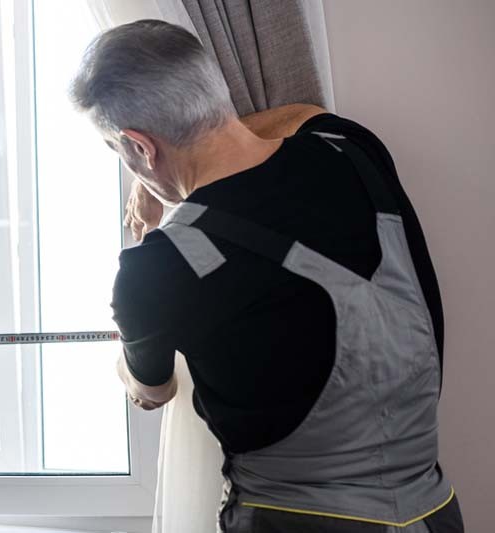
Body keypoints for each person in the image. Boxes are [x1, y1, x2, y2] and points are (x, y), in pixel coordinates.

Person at [70, 20, 463, 532]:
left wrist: (131, 332)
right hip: (434, 513)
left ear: (139, 147)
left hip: (291, 522)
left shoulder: (160, 264)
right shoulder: (348, 148)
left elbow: (151, 391)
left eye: (115, 151)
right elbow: (303, 115)